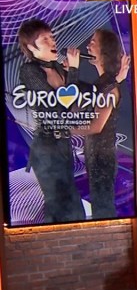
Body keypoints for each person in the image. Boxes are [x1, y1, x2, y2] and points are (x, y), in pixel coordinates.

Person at [16, 18, 86, 223]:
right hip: (46, 147)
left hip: (64, 145)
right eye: (45, 39)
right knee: (59, 205)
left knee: (71, 204)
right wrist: (73, 72)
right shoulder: (30, 71)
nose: (52, 41)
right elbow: (55, 107)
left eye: (52, 37)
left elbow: (73, 107)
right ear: (32, 47)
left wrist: (70, 73)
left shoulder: (59, 69)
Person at [79, 28, 130, 219]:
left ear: (105, 50)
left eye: (93, 42)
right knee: (100, 206)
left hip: (102, 159)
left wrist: (61, 127)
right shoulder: (104, 83)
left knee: (103, 209)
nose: (88, 45)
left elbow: (96, 126)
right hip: (96, 156)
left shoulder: (108, 86)